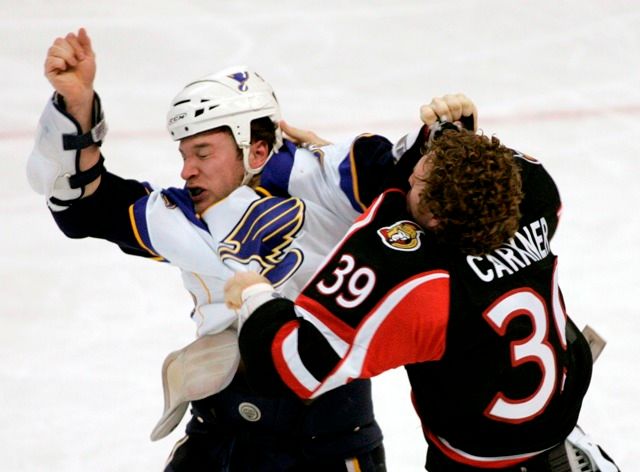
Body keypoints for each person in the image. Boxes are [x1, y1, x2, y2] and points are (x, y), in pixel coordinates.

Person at [27, 28, 474, 471]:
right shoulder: (184, 214)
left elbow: (414, 181)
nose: (186, 170)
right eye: (184, 153)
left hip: (326, 444)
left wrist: (449, 140)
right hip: (219, 435)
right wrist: (78, 106)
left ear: (256, 148)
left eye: (203, 152)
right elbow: (83, 209)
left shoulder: (326, 176)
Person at [224, 126, 621, 471]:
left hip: (478, 451)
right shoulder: (534, 196)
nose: (403, 183)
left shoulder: (421, 290)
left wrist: (255, 296)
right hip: (556, 400)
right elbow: (488, 169)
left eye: (413, 183)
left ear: (434, 221)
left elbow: (291, 365)